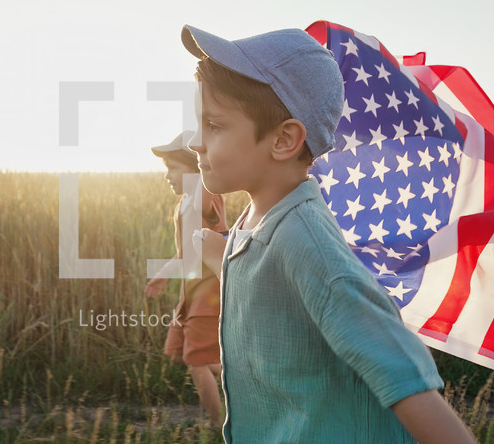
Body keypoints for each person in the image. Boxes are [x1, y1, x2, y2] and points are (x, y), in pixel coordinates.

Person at [182, 25, 476, 443]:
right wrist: (225, 254)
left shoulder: (306, 243)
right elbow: (266, 276)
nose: (195, 142)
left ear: (284, 139)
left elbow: (399, 368)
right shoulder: (261, 217)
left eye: (213, 125)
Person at [145, 130, 228, 428]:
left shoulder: (203, 194)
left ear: (194, 167)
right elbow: (183, 253)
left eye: (172, 167)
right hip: (192, 295)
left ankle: (217, 423)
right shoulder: (183, 203)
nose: (167, 175)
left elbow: (216, 231)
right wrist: (163, 276)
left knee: (197, 361)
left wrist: (204, 169)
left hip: (208, 295)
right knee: (195, 356)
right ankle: (245, 379)